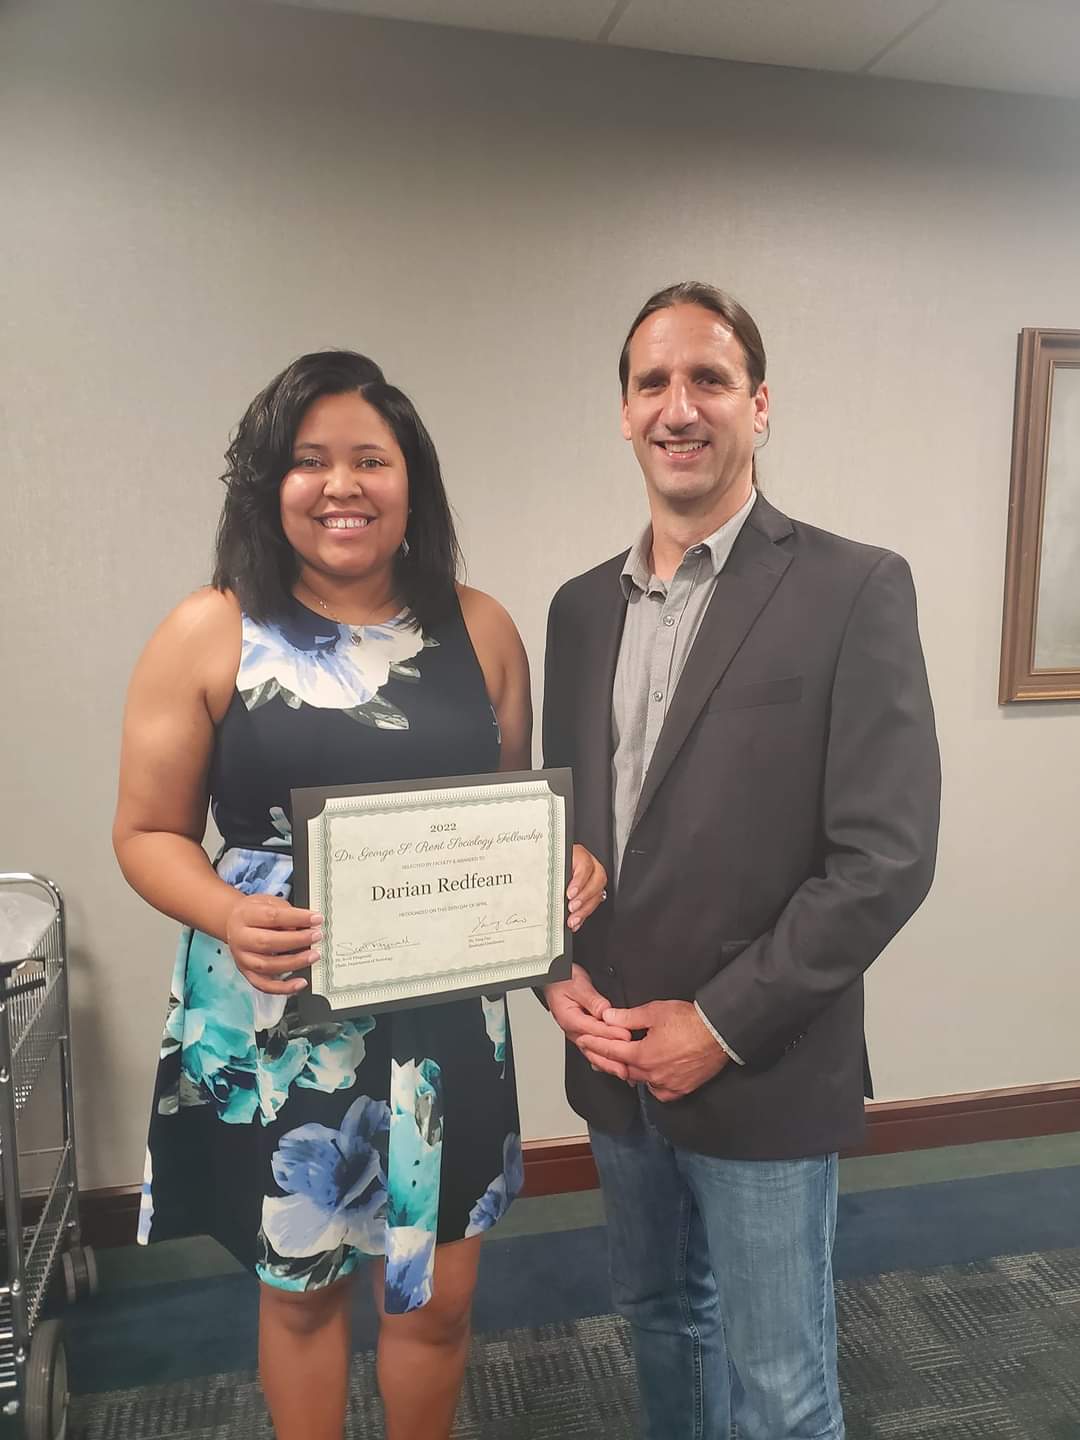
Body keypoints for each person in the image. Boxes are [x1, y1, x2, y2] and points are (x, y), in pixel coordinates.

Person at [113, 350, 605, 1440]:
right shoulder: (211, 629)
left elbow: (508, 815)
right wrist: (226, 912)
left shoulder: (482, 628)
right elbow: (147, 834)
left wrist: (554, 864)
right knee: (303, 1292)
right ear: (268, 487)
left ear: (411, 483)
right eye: (309, 462)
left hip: (446, 1014)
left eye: (369, 460)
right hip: (285, 1005)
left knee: (437, 1296)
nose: (342, 485)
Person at [542, 282, 941, 1439]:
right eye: (652, 382)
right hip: (615, 1064)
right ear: (623, 413)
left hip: (760, 1063)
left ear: (758, 406)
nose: (680, 406)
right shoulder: (577, 611)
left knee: (779, 1386)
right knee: (664, 1320)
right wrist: (548, 967)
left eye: (709, 379)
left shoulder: (852, 586)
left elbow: (885, 857)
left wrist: (714, 1026)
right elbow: (563, 836)